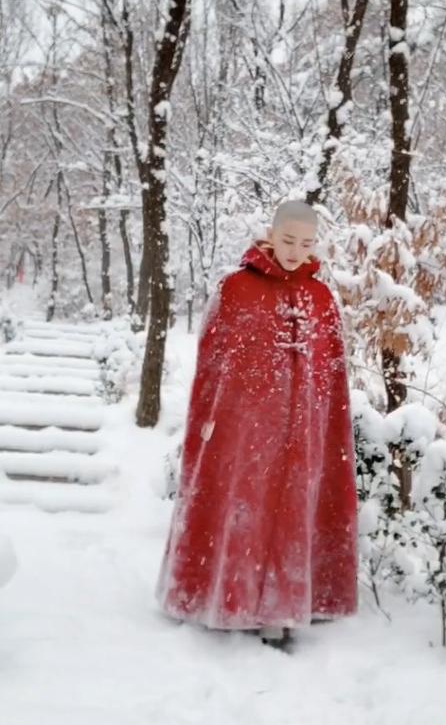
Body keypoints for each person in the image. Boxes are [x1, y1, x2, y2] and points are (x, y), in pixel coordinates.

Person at [155, 199, 358, 652]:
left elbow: (331, 378)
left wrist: (320, 429)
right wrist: (213, 423)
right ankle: (230, 601)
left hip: (302, 431)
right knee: (244, 507)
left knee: (292, 511)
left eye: (306, 243)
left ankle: (285, 609)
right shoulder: (236, 289)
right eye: (288, 240)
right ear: (270, 234)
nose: (295, 250)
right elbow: (214, 365)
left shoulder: (321, 298)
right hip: (246, 428)